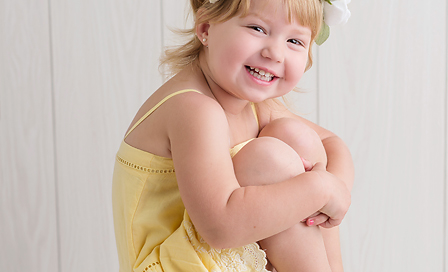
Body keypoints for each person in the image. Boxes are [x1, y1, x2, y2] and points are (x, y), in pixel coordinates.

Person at [112, 0, 354, 271]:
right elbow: (220, 228)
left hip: (221, 252)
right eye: (257, 28)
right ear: (205, 28)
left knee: (298, 138)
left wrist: (335, 191)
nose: (275, 53)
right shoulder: (193, 109)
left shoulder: (252, 103)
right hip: (179, 262)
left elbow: (332, 145)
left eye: (295, 41)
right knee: (270, 160)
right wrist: (319, 189)